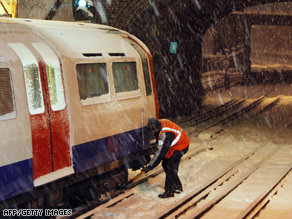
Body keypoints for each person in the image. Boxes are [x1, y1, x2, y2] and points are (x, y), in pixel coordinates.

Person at [143, 118, 190, 198]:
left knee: (170, 167)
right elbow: (160, 146)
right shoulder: (160, 123)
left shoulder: (166, 134)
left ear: (157, 127)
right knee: (166, 164)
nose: (153, 132)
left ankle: (169, 191)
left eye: (154, 130)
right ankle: (177, 186)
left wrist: (151, 166)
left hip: (181, 146)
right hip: (175, 145)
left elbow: (161, 152)